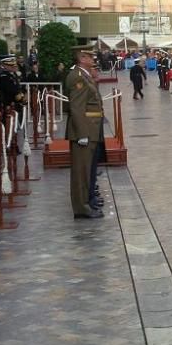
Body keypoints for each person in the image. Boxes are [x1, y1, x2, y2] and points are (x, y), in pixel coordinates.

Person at [65, 45, 105, 220]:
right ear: (82, 58)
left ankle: (87, 202)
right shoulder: (77, 77)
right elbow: (76, 107)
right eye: (89, 56)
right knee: (81, 172)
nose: (93, 59)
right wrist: (82, 133)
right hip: (85, 131)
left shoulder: (84, 75)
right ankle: (81, 208)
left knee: (87, 170)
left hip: (91, 129)